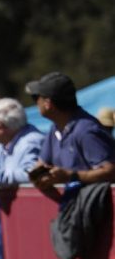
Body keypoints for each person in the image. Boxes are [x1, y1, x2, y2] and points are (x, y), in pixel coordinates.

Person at [25, 72, 115, 201]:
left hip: (92, 213)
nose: (35, 103)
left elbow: (110, 171)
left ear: (47, 103)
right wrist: (39, 176)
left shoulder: (86, 131)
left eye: (36, 98)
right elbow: (42, 164)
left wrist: (70, 176)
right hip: (71, 211)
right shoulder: (55, 129)